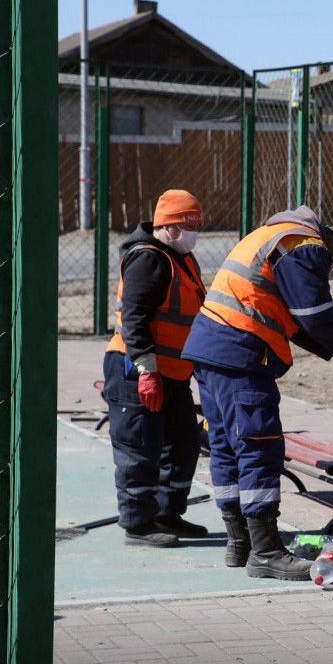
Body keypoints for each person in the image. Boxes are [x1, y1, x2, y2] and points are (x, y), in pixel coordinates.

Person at [181, 206, 333, 580]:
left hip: (209, 350)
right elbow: (316, 316)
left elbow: (295, 320)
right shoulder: (305, 247)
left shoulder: (273, 235)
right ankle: (266, 553)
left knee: (229, 447)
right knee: (260, 447)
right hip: (240, 353)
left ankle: (240, 543)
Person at [103, 189, 209, 548]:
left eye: (197, 226)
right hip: (137, 369)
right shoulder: (148, 259)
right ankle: (138, 523)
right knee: (139, 446)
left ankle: (167, 513)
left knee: (183, 443)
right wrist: (147, 370)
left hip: (173, 372)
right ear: (169, 227)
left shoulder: (183, 258)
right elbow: (134, 319)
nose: (194, 234)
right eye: (188, 226)